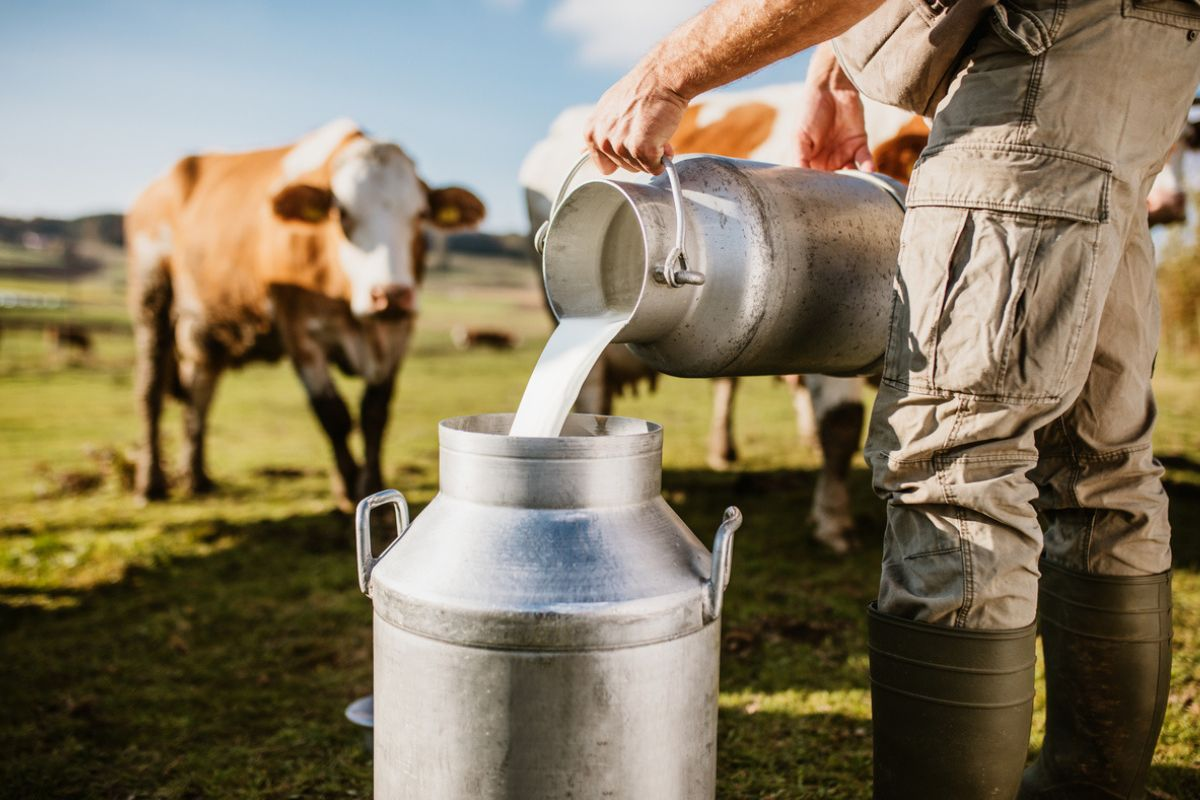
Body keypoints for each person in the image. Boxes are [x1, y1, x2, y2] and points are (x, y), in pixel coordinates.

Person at [581, 1, 1200, 797]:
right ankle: (1091, 784)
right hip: (1139, 51)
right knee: (1096, 458)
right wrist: (834, 70)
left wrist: (665, 74)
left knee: (955, 461)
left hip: (1033, 56)